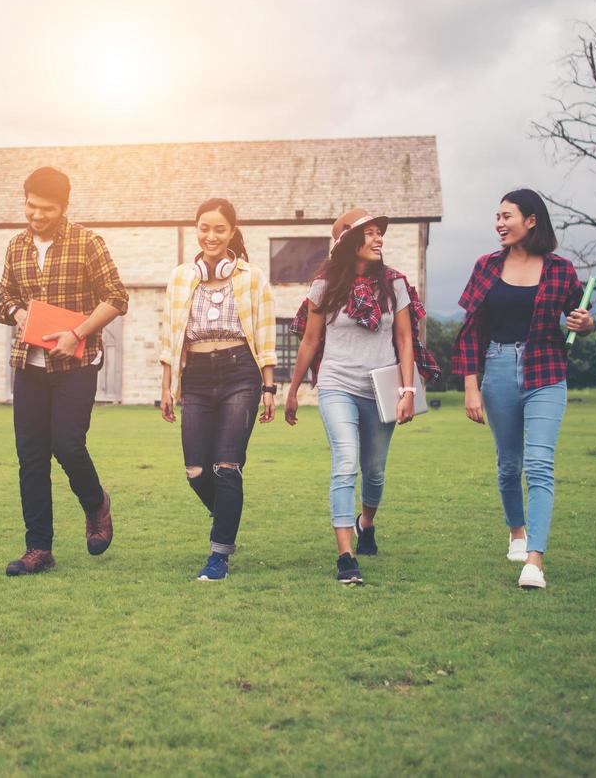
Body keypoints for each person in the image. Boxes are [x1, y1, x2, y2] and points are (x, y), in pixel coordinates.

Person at [284, 208, 438, 586]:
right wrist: (292, 389)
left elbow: (404, 339)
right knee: (345, 462)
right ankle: (345, 556)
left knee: (374, 470)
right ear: (349, 242)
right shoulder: (324, 287)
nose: (378, 239)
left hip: (382, 388)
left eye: (378, 233)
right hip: (338, 384)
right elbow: (311, 340)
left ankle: (365, 522)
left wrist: (408, 391)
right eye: (369, 233)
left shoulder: (395, 284)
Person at [452, 188, 594, 590]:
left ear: (531, 220)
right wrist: (470, 386)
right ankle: (517, 531)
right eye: (496, 217)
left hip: (545, 370)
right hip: (496, 369)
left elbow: (579, 318)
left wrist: (585, 324)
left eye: (507, 216)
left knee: (539, 465)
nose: (499, 223)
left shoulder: (560, 270)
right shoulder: (485, 266)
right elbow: (470, 331)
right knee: (509, 464)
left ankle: (534, 561)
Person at [0, 167, 129, 576]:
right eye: (31, 206)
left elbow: (116, 298)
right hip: (28, 364)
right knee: (31, 457)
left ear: (64, 207)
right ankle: (39, 549)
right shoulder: (16, 246)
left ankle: (95, 503)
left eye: (46, 209)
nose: (36, 216)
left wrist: (77, 332)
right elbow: (4, 300)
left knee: (67, 444)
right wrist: (17, 313)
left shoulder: (88, 243)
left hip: (76, 363)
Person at [159, 198, 278, 581]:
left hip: (239, 372)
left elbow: (265, 332)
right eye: (204, 228)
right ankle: (225, 513)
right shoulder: (180, 278)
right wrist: (167, 385)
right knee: (196, 470)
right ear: (196, 230)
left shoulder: (252, 277)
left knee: (227, 466)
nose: (211, 236)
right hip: (195, 376)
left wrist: (270, 387)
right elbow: (170, 336)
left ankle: (219, 555)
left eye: (219, 229)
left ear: (232, 232)